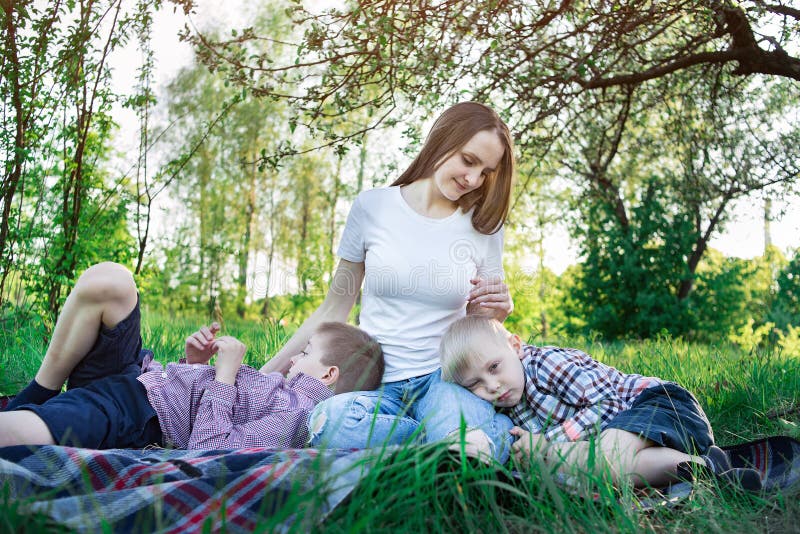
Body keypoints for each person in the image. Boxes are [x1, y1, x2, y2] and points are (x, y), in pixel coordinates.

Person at [260, 101, 518, 461]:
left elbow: (482, 328)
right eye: (468, 160)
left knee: (463, 433)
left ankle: (454, 441)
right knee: (325, 422)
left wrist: (497, 316)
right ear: (441, 141)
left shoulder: (483, 226)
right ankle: (447, 443)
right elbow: (334, 308)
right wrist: (265, 375)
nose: (473, 180)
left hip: (443, 379)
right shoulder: (373, 207)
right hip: (375, 382)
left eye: (485, 171)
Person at [0, 262, 384, 450]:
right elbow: (201, 403)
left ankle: (28, 408)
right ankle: (39, 392)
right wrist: (194, 364)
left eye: (305, 352)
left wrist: (225, 377)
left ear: (329, 374)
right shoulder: (283, 389)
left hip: (135, 415)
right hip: (141, 377)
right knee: (110, 279)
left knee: (12, 433)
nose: (293, 359)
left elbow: (209, 449)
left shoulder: (296, 418)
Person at [438, 316, 763, 490]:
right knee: (607, 471)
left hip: (660, 405)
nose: (492, 386)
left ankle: (698, 463)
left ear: (516, 346)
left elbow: (606, 403)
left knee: (595, 458)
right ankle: (703, 468)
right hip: (639, 442)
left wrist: (548, 447)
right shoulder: (508, 406)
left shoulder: (544, 365)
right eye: (475, 384)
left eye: (494, 367)